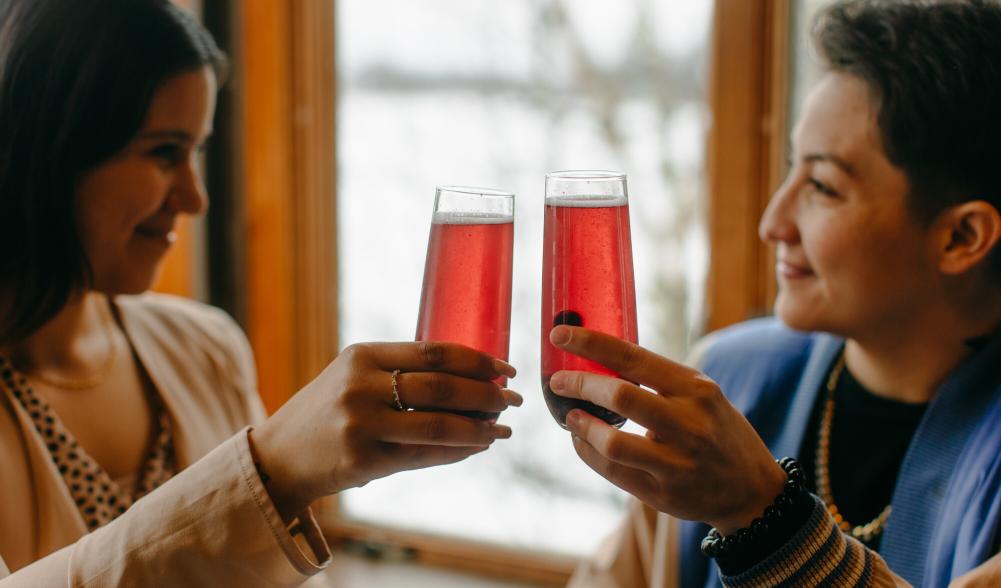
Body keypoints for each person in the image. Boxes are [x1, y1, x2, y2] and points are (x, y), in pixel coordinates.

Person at [0, 0, 521, 585]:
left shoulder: (205, 349)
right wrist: (270, 469)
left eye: (196, 150)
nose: (194, 198)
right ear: (46, 148)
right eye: (163, 152)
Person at [558, 0, 1001, 586]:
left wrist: (763, 519)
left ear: (962, 237)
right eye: (791, 167)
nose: (773, 222)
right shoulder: (732, 377)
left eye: (821, 185)